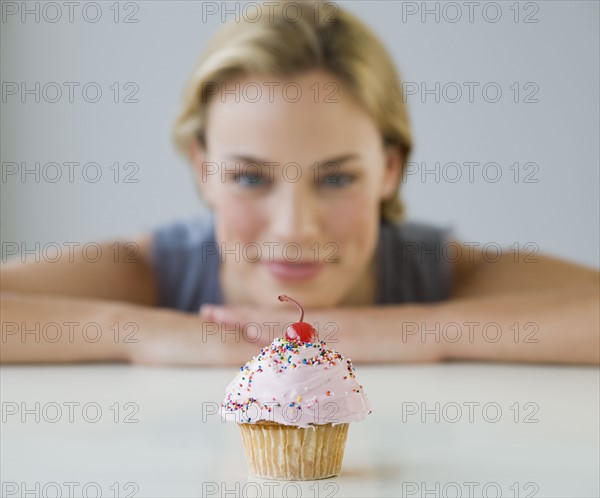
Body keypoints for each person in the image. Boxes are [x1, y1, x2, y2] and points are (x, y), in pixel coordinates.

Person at [1, 1, 598, 366]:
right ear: (202, 169)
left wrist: (412, 330)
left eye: (336, 177)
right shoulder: (152, 270)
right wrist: (141, 334)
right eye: (250, 178)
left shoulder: (434, 271)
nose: (294, 229)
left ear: (390, 169)